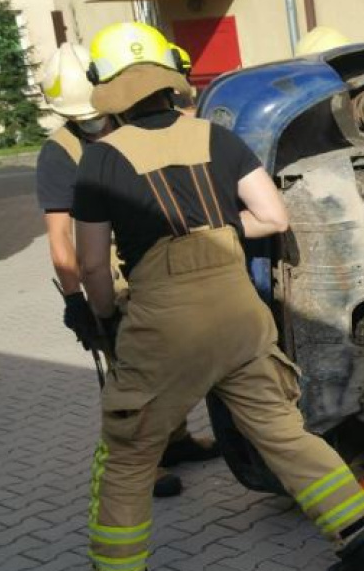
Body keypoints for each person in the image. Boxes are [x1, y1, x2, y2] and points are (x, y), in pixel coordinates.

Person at [72, 22, 364, 571]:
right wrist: (216, 229)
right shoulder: (216, 137)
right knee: (283, 434)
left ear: (109, 90)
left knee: (129, 455)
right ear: (167, 79)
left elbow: (88, 261)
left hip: (163, 323)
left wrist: (103, 314)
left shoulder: (101, 158)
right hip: (238, 312)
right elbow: (273, 217)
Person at [35, 42, 219, 499]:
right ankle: (142, 463)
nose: (96, 128)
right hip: (108, 279)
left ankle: (174, 441)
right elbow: (62, 238)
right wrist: (78, 301)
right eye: (84, 122)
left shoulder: (128, 123)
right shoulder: (58, 154)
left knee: (171, 362)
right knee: (128, 375)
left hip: (153, 263)